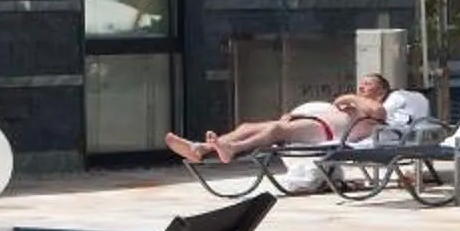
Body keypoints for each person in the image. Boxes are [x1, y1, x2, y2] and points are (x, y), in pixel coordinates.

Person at [168, 73, 393, 165]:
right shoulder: (357, 105)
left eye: (368, 83)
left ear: (381, 91)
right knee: (247, 126)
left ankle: (233, 148)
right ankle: (201, 149)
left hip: (326, 133)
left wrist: (349, 97)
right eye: (361, 82)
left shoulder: (377, 110)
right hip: (313, 124)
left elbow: (375, 110)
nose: (362, 85)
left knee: (276, 129)